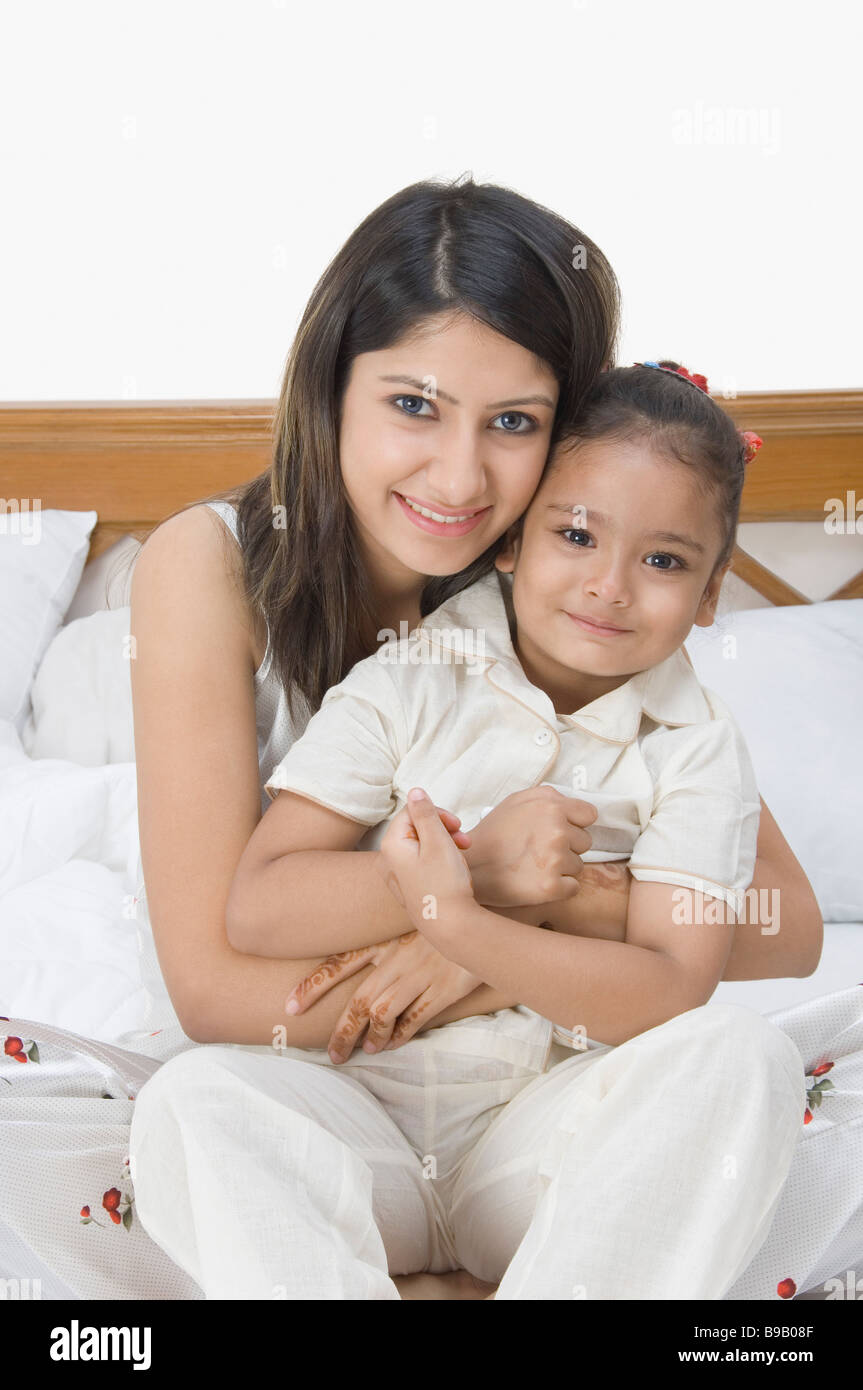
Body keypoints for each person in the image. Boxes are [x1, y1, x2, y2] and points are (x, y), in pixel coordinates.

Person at [129, 353, 850, 1301]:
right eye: (577, 535)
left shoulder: (695, 746)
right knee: (195, 1102)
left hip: (542, 1131)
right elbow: (259, 910)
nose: (610, 586)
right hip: (359, 1108)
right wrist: (455, 882)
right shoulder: (406, 677)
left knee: (740, 1059)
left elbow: (675, 985)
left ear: (711, 595)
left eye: (665, 561)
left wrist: (468, 931)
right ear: (509, 543)